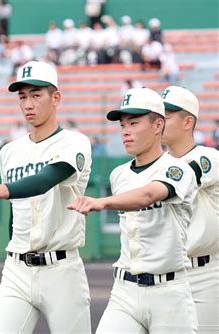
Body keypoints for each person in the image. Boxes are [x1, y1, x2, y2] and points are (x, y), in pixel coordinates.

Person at [0, 61, 92, 333]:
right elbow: (16, 212)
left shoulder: (74, 142)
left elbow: (46, 180)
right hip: (17, 269)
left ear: (55, 97)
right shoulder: (9, 151)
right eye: (22, 96)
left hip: (61, 270)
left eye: (36, 95)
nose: (28, 104)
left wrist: (1, 190)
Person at [68, 87, 199, 333]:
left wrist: (103, 202)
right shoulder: (119, 174)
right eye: (123, 124)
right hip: (124, 292)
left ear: (158, 125)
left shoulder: (178, 169)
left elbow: (149, 195)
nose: (126, 131)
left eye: (134, 122)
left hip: (169, 292)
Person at [161, 86, 219, 333]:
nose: (159, 121)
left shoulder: (208, 157)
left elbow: (176, 182)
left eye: (167, 115)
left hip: (205, 274)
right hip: (166, 275)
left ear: (187, 122)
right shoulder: (156, 164)